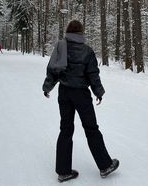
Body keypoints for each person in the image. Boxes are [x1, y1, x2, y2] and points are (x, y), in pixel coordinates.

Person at [42, 19, 119, 183]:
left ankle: (63, 172)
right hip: (81, 95)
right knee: (91, 128)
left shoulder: (60, 47)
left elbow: (52, 70)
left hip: (64, 93)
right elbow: (93, 75)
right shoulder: (87, 51)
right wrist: (98, 92)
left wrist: (47, 87)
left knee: (65, 129)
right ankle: (105, 165)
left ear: (68, 32)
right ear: (81, 33)